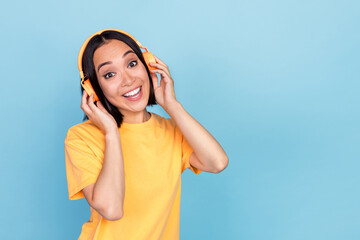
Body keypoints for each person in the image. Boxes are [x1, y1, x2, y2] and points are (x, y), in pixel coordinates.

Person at [64, 29, 229, 240]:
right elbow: (112, 209)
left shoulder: (171, 131)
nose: (128, 80)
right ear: (94, 89)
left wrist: (172, 105)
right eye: (109, 74)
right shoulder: (81, 137)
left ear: (148, 64)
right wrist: (111, 134)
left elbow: (217, 162)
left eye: (132, 64)